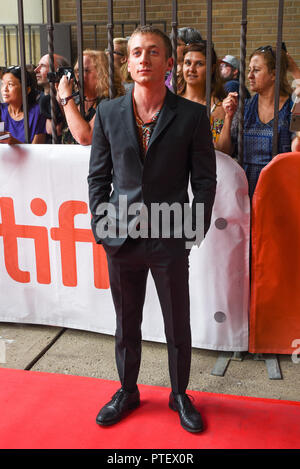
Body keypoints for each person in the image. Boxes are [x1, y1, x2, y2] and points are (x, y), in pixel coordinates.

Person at [88, 26, 216, 433]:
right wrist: (102, 225)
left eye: (153, 52)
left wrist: (193, 228)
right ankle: (127, 390)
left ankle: (180, 394)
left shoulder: (192, 115)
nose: (144, 59)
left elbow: (206, 180)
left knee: (177, 322)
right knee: (126, 321)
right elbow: (98, 178)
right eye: (137, 53)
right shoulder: (107, 113)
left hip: (170, 236)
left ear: (169, 63)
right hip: (121, 238)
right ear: (128, 63)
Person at [223, 45, 300, 198]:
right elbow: (224, 150)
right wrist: (227, 117)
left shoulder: (292, 106)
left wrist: (296, 72)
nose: (250, 76)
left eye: (256, 70)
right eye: (249, 70)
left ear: (274, 74)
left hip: (281, 191)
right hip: (245, 191)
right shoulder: (245, 107)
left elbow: (297, 148)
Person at [178, 42, 236, 155]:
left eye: (199, 64)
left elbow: (223, 151)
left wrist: (228, 117)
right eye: (187, 63)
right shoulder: (172, 101)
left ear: (212, 68)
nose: (191, 69)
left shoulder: (217, 107)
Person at [57, 49, 125, 145]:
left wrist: (66, 97)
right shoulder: (77, 101)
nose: (77, 75)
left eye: (85, 70)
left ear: (103, 73)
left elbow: (85, 138)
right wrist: (61, 97)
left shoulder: (112, 101)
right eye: (76, 71)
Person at [0, 66, 46, 144]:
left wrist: (14, 142)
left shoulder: (37, 112)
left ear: (27, 90)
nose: (4, 89)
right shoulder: (1, 110)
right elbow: (1, 137)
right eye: (3, 84)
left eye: (10, 84)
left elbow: (37, 151)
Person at [34, 53, 70, 143]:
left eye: (42, 66)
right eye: (38, 66)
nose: (36, 70)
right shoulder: (36, 98)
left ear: (59, 71)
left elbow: (54, 130)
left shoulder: (71, 98)